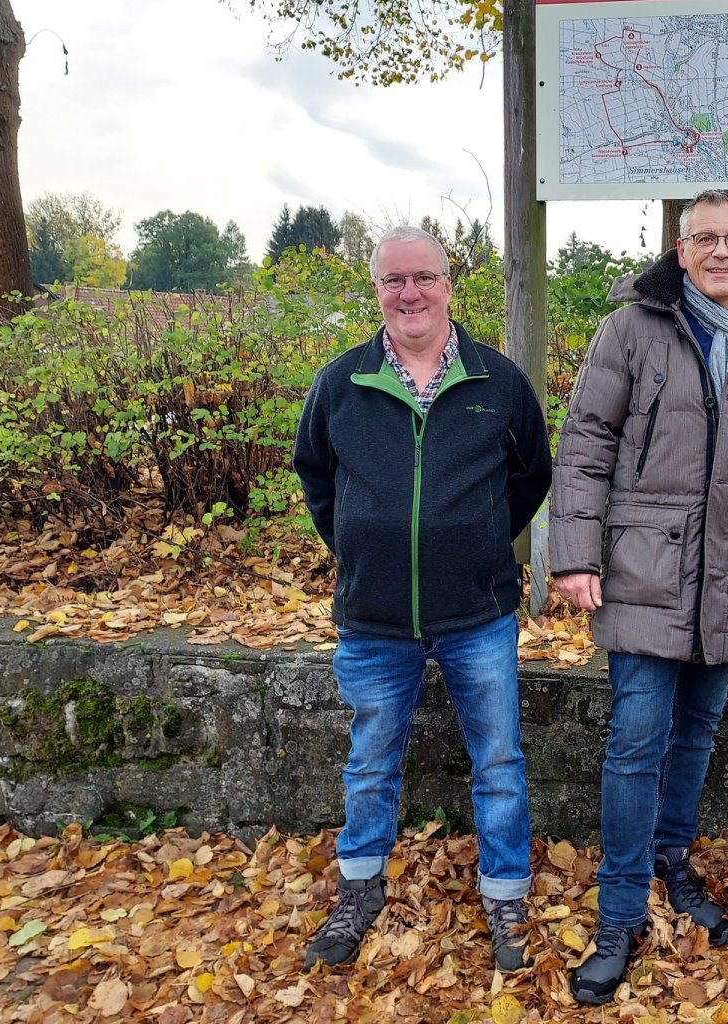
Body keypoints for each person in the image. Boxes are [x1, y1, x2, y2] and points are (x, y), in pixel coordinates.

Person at [551, 189, 728, 1005]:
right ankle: (622, 912)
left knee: (697, 734)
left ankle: (671, 857)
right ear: (680, 251)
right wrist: (574, 554)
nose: (720, 251)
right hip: (643, 566)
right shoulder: (631, 329)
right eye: (705, 238)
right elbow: (586, 444)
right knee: (637, 741)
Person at [293, 226, 552, 974]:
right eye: (393, 281)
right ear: (375, 290)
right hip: (373, 618)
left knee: (499, 759)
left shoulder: (497, 382)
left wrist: (476, 542)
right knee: (371, 760)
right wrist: (356, 544)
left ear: (449, 284)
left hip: (478, 612)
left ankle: (505, 892)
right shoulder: (341, 382)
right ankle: (360, 886)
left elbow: (532, 474)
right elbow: (314, 473)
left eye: (425, 278)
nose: (410, 294)